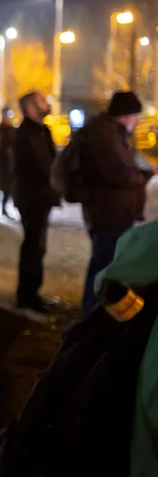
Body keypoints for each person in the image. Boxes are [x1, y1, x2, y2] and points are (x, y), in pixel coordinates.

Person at [79, 91, 154, 316]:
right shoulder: (105, 135)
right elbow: (118, 173)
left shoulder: (111, 133)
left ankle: (95, 311)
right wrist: (144, 175)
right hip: (108, 212)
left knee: (105, 263)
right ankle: (91, 314)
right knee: (103, 266)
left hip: (113, 210)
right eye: (135, 115)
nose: (138, 121)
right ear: (124, 115)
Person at [12, 92, 59, 313]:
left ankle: (32, 291)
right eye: (42, 101)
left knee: (38, 246)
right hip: (32, 197)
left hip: (42, 196)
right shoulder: (25, 134)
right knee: (33, 245)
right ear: (31, 107)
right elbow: (41, 165)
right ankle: (27, 295)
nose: (47, 104)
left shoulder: (43, 131)